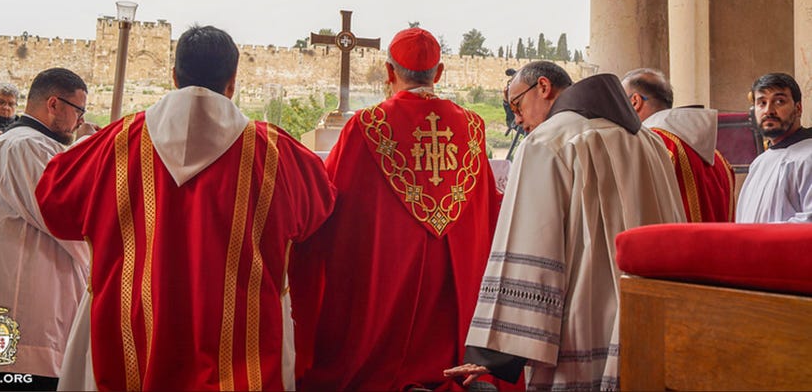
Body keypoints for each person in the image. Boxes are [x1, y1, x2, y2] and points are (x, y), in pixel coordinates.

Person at [34, 25, 336, 391]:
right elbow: (319, 209)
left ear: (174, 76)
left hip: (126, 344)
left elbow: (54, 206)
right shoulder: (279, 156)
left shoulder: (109, 148)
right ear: (232, 82)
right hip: (245, 358)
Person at [444, 61, 686, 391]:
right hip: (652, 323)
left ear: (543, 88)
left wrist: (496, 354)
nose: (517, 119)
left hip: (582, 325)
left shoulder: (547, 142)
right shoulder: (650, 142)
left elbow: (530, 244)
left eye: (517, 105)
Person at [291, 27, 503, 391]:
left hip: (386, 269)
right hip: (451, 275)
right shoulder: (471, 126)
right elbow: (488, 205)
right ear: (439, 73)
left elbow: (329, 200)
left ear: (389, 73)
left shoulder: (367, 125)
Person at [0, 68, 92, 390]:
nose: (79, 121)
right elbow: (68, 219)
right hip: (19, 326)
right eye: (78, 111)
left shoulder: (28, 143)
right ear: (54, 104)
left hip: (28, 322)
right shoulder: (27, 146)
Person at [622, 68, 735, 222]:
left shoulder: (652, 147)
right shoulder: (718, 158)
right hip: (718, 246)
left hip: (675, 246)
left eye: (621, 103)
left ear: (635, 101)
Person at [736, 72, 812, 223]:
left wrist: (760, 240)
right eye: (762, 103)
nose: (768, 111)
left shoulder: (808, 156)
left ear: (798, 108)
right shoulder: (759, 163)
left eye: (779, 101)